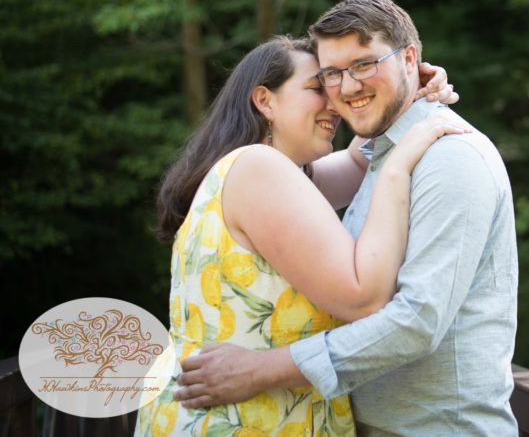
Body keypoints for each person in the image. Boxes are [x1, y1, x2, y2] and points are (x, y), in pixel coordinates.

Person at [174, 0, 519, 435]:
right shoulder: (363, 164)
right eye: (327, 78)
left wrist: (262, 369)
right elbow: (368, 146)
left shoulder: (446, 157)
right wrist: (401, 88)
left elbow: (416, 321)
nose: (343, 90)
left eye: (364, 64)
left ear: (411, 57)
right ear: (265, 101)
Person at [135, 34, 466, 437]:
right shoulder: (259, 168)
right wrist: (398, 167)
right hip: (240, 422)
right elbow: (364, 296)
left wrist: (407, 85)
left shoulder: (257, 174)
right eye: (317, 89)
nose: (334, 104)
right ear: (265, 100)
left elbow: (358, 160)